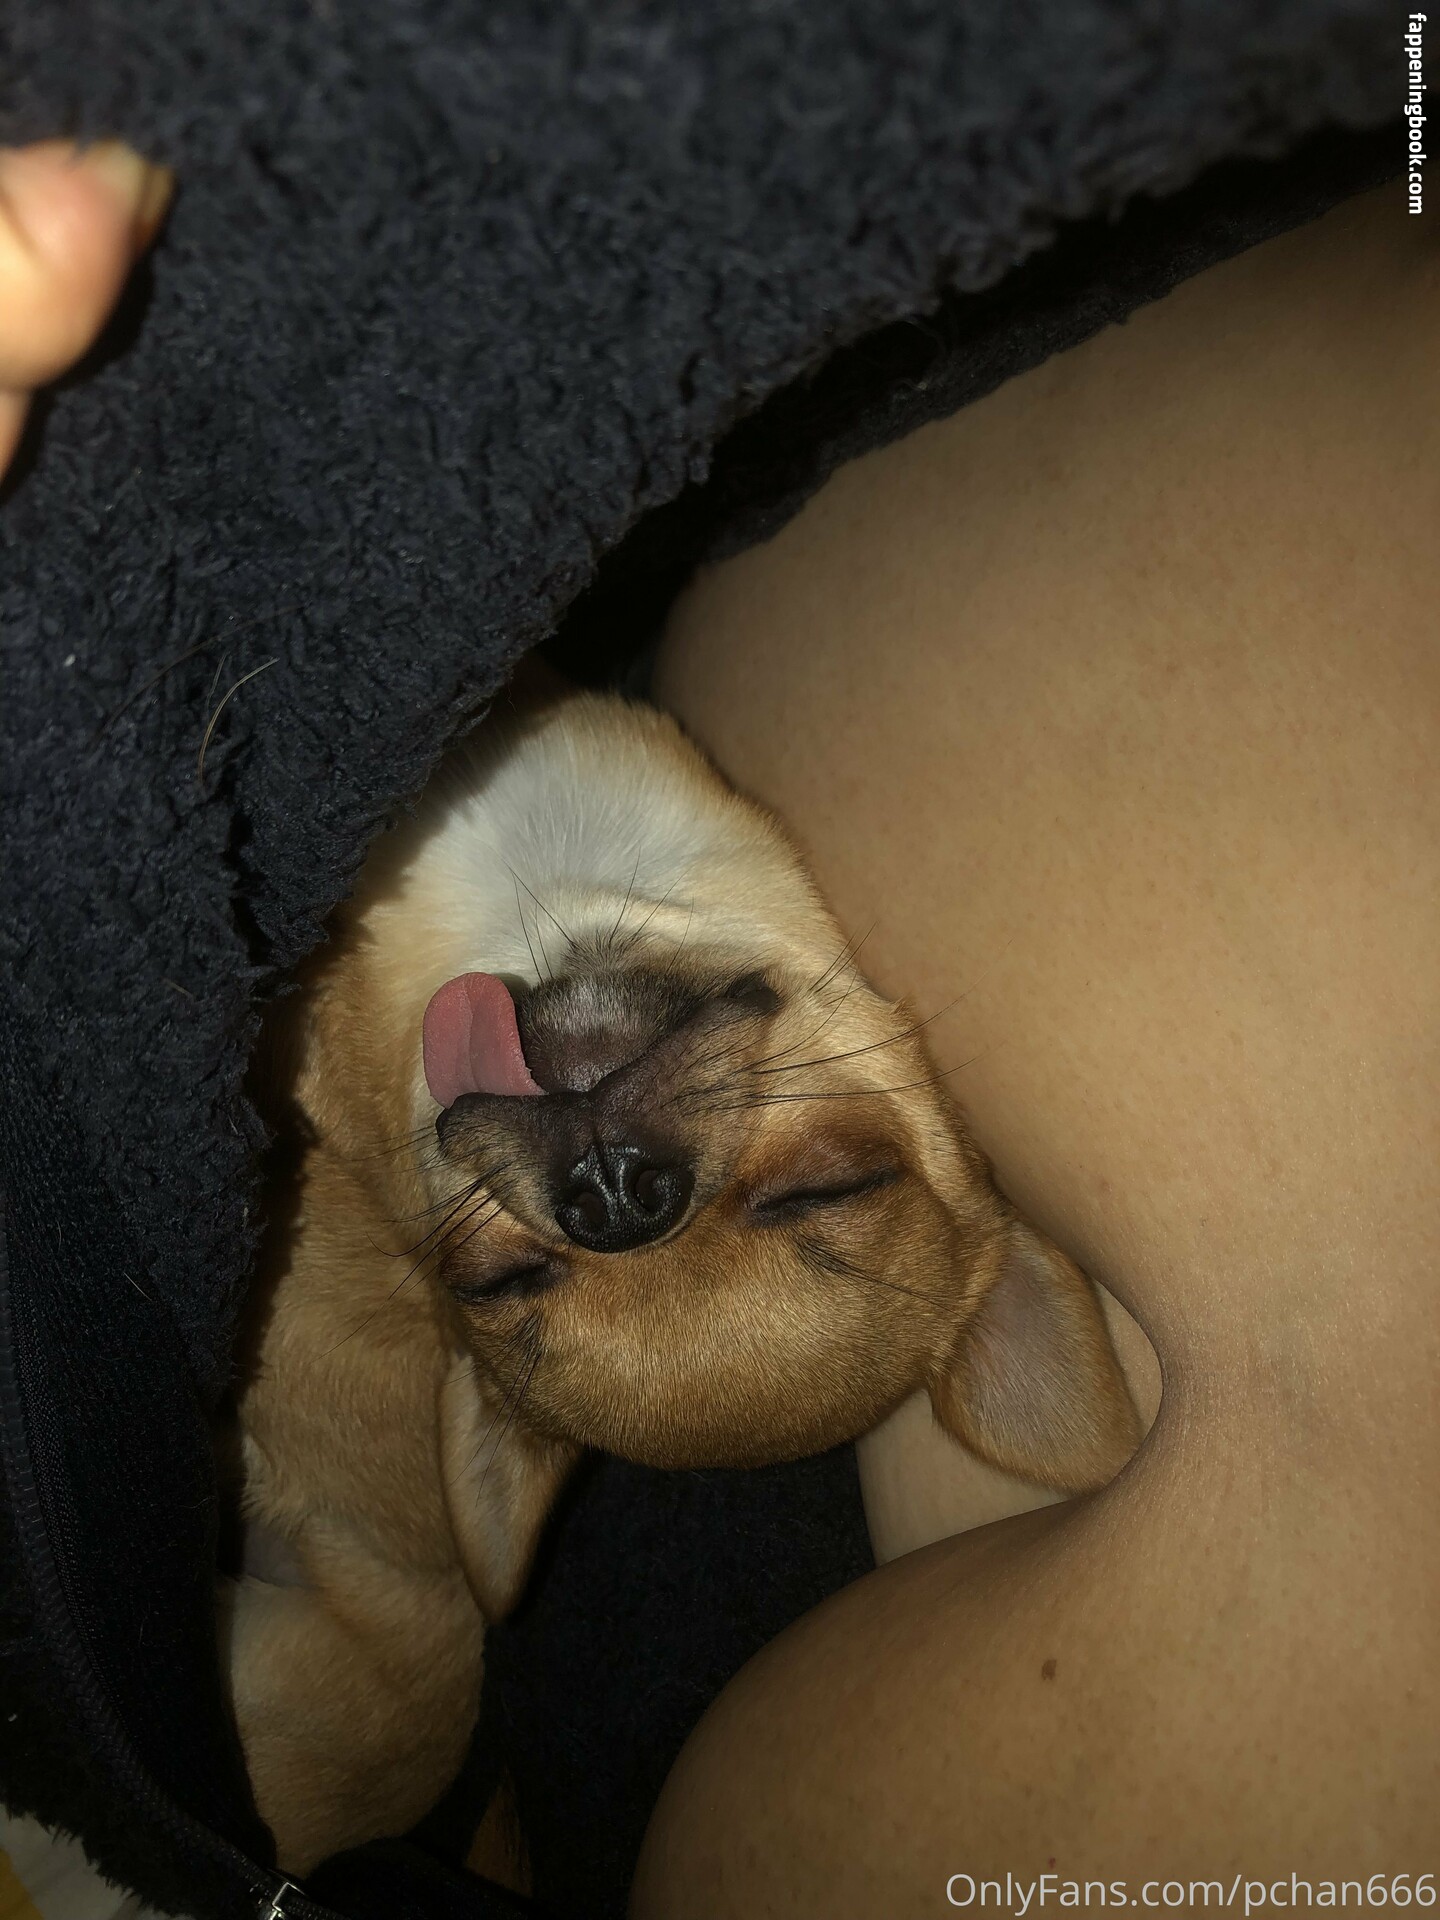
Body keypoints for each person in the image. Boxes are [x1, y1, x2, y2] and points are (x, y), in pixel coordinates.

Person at [6, 141, 1434, 1915]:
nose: (615, 1200)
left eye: (522, 1277)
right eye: (816, 1192)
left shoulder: (335, 1029)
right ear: (983, 1230)